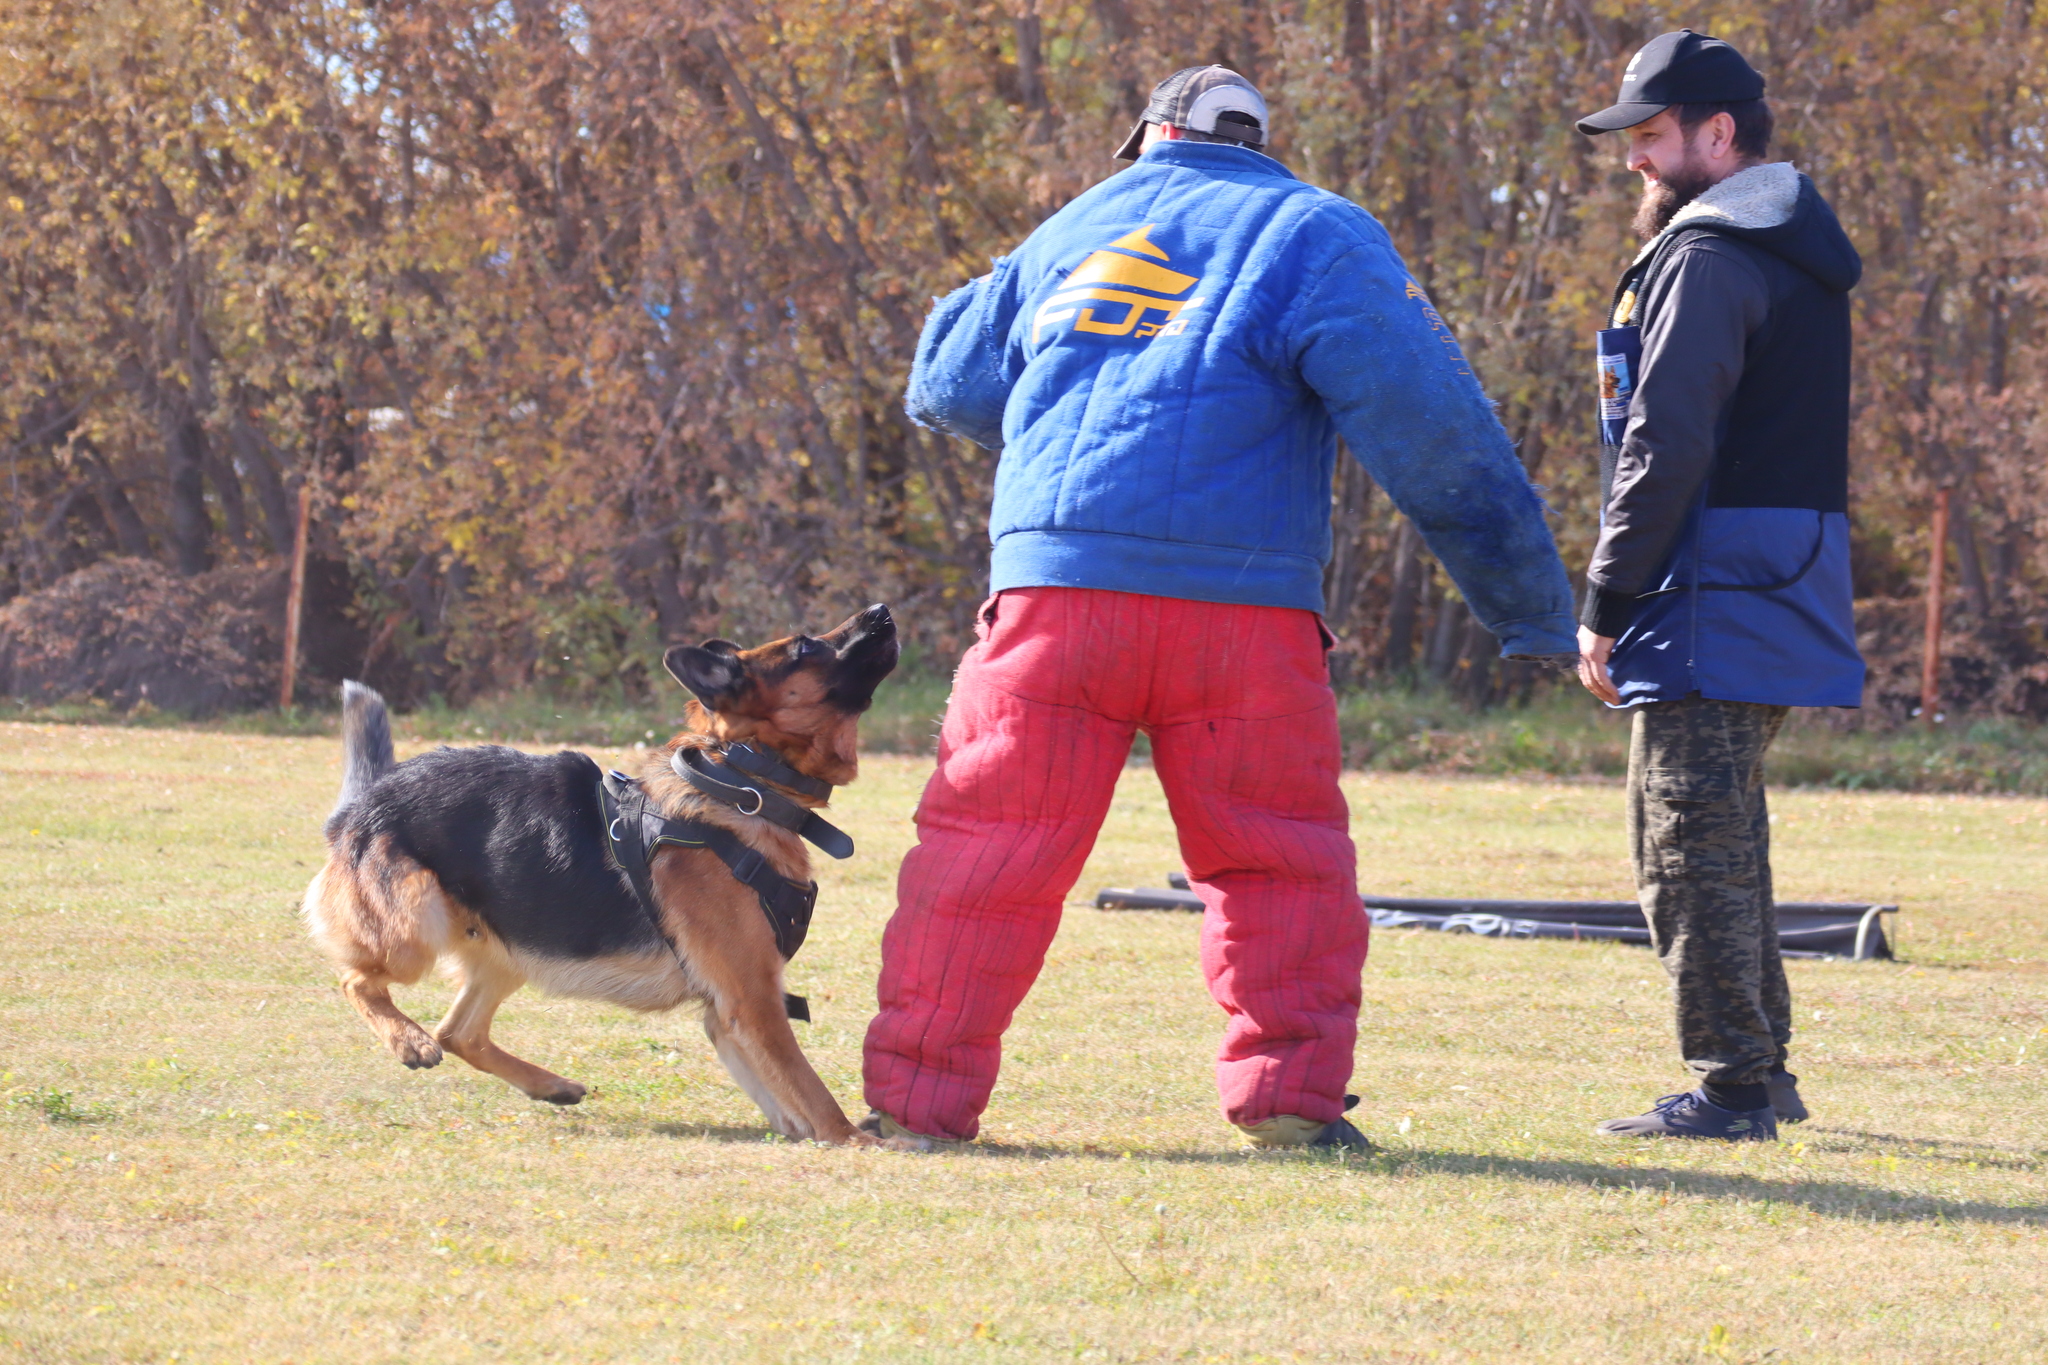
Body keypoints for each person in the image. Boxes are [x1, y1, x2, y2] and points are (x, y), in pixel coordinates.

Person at [858, 65, 1578, 1151]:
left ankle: (916, 1109)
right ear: (1259, 145)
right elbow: (1435, 430)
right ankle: (1288, 1105)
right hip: (1242, 614)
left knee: (982, 856)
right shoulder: (1317, 232)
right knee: (1276, 857)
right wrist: (1525, 605)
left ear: (1145, 138)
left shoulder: (1072, 226)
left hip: (1055, 596)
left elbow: (944, 384)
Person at [1572, 31, 1865, 1141]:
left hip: (1710, 581)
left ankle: (1733, 1088)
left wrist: (1605, 597)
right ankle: (1762, 1071)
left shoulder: (1708, 255)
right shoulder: (1783, 245)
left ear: (1717, 133)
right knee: (1724, 828)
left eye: (1649, 136)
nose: (1634, 160)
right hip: (1772, 563)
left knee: (1681, 837)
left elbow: (1664, 439)